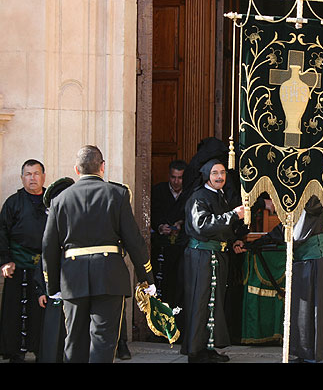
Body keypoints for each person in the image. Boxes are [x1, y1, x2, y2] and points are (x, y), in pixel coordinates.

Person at [41, 145, 156, 363]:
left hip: (72, 278)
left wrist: (53, 287)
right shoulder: (117, 194)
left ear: (77, 169)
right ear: (102, 167)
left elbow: (49, 247)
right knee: (103, 340)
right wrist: (146, 278)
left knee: (74, 340)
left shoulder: (60, 200)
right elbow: (135, 242)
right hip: (109, 276)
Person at [249, 196, 323, 363]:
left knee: (313, 308)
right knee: (301, 310)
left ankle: (312, 355)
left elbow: (298, 229)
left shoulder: (315, 197)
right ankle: (304, 353)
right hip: (302, 260)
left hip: (315, 258)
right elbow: (289, 224)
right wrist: (265, 239)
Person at [181, 158, 246, 363]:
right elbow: (203, 225)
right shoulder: (199, 197)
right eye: (215, 173)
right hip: (201, 257)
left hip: (215, 257)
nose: (220, 177)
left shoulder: (221, 196)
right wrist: (233, 215)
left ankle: (208, 348)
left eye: (223, 173)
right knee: (200, 302)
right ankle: (195, 351)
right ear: (207, 175)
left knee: (212, 303)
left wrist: (234, 240)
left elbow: (222, 229)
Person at [0, 159, 48, 362]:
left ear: (43, 176)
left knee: (42, 312)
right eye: (28, 174)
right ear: (22, 178)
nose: (32, 178)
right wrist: (5, 261)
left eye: (36, 173)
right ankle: (14, 352)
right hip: (17, 265)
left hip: (45, 267)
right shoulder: (13, 202)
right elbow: (2, 232)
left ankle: (42, 350)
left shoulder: (53, 200)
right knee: (14, 311)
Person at [150, 159, 189, 334]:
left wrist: (181, 223)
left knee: (179, 288)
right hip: (161, 248)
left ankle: (178, 327)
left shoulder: (189, 193)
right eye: (173, 177)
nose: (176, 181)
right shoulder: (158, 191)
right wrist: (160, 227)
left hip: (181, 249)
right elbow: (150, 214)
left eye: (180, 178)